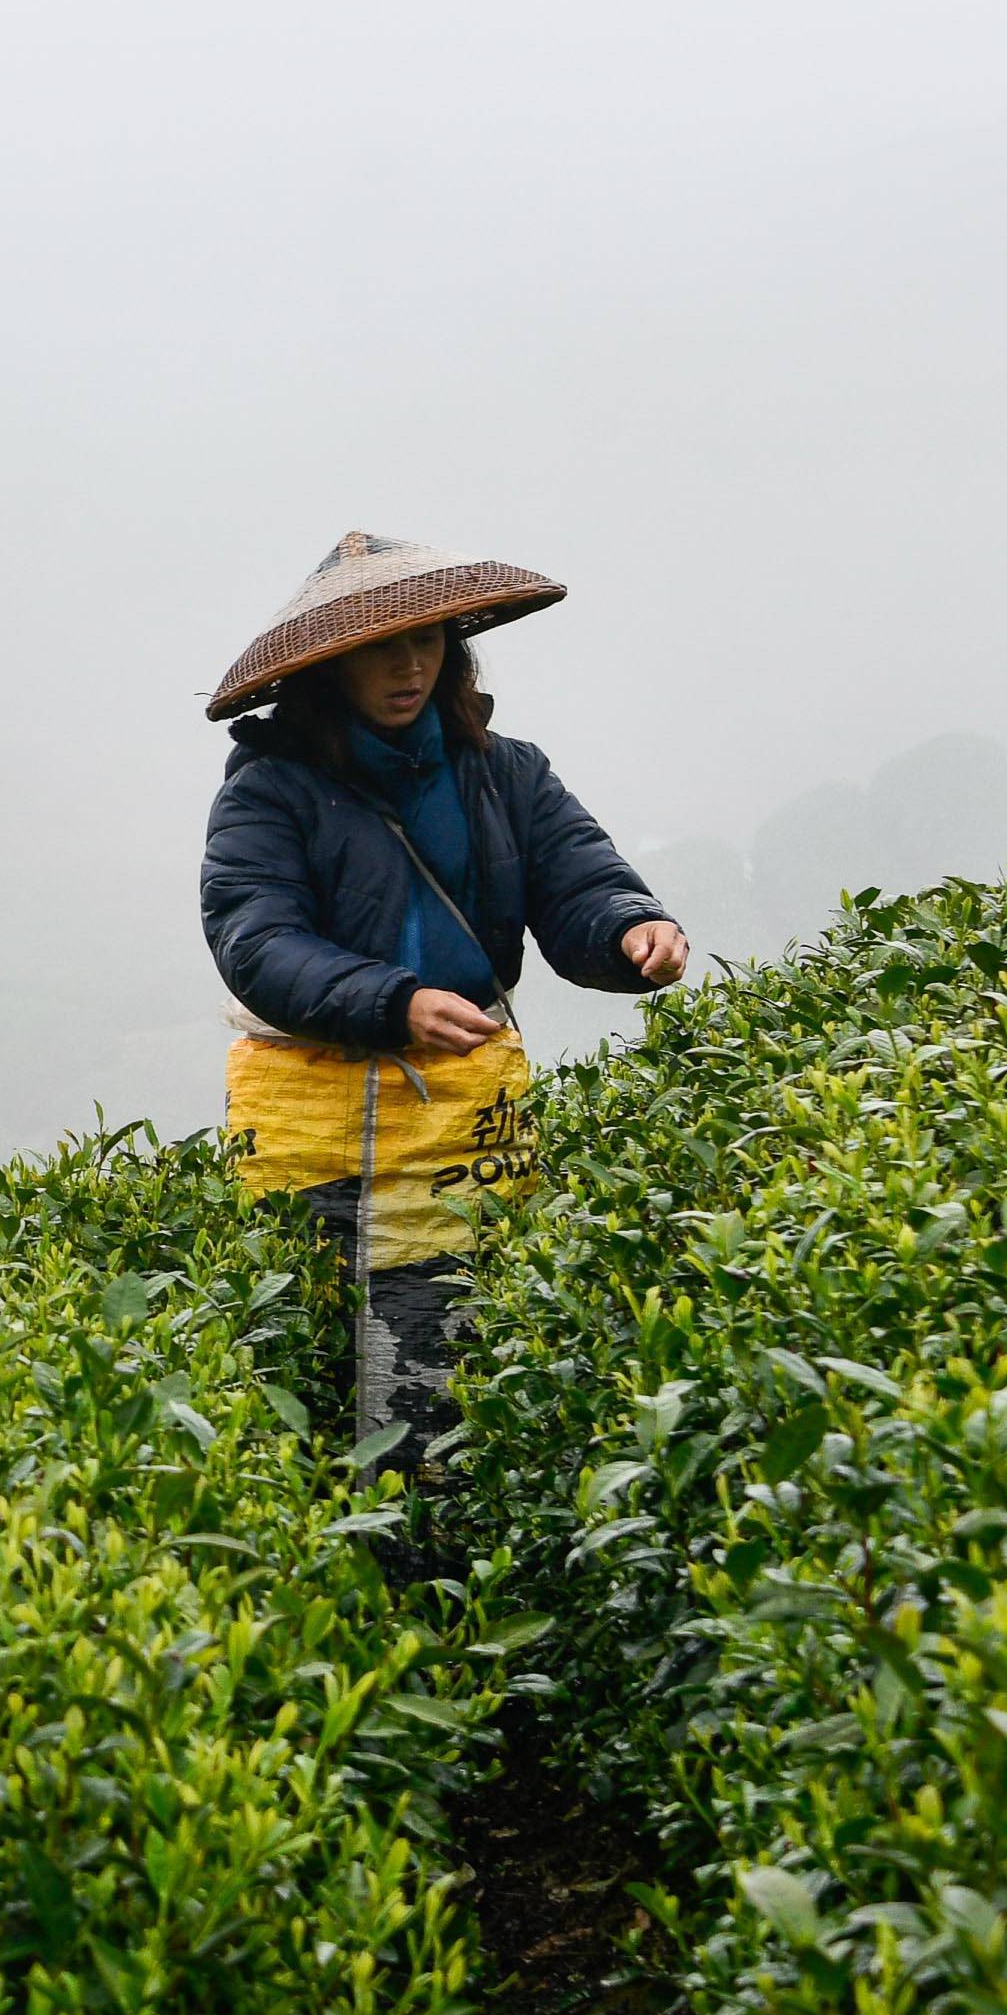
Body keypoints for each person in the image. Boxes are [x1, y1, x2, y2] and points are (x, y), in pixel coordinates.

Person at [198, 531, 689, 1456]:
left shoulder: (506, 772)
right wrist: (394, 1002)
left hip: (464, 1111)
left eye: (426, 641)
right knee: (317, 1363)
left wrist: (634, 931)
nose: (408, 664)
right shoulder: (271, 791)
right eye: (381, 647)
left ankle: (448, 1552)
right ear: (330, 666)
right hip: (318, 1118)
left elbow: (578, 881)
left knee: (461, 1343)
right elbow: (255, 940)